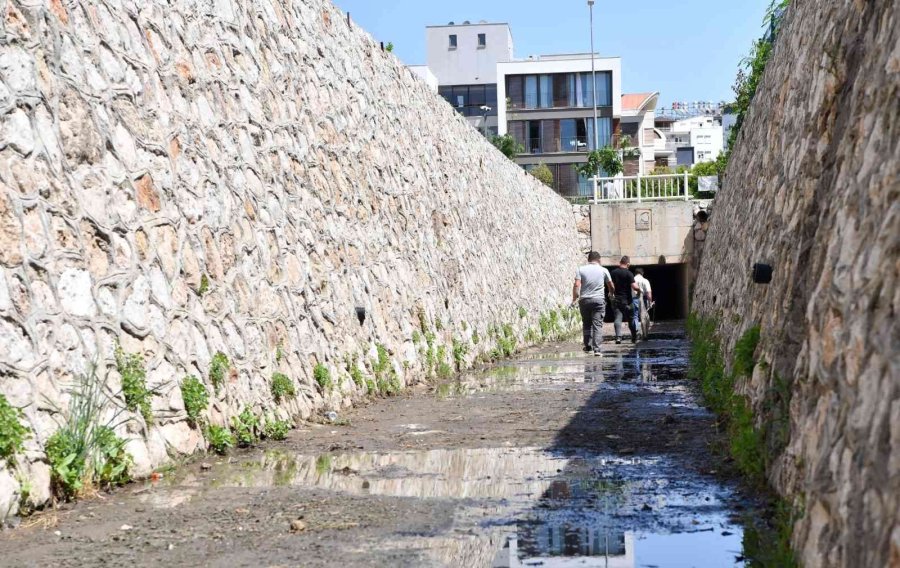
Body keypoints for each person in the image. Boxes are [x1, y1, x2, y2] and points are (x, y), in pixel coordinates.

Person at [572, 251, 614, 356]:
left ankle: (588, 346)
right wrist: (611, 293)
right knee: (597, 325)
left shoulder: (580, 269)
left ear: (588, 259)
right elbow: (611, 285)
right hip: (599, 300)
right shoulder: (604, 270)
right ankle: (597, 349)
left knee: (586, 323)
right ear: (599, 260)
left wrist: (575, 298)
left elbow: (576, 285)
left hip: (584, 300)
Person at [610, 256, 639, 344]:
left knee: (618, 318)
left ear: (620, 262)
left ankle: (618, 337)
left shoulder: (613, 272)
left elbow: (611, 285)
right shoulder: (629, 273)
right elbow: (634, 286)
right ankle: (634, 337)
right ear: (628, 264)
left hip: (617, 300)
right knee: (631, 319)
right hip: (628, 301)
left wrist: (611, 293)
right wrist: (640, 290)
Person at [633, 268, 653, 339]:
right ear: (642, 273)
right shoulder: (645, 280)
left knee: (635, 316)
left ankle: (636, 332)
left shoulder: (632, 280)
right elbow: (648, 292)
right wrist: (650, 302)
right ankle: (645, 334)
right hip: (642, 299)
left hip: (633, 299)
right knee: (643, 317)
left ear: (635, 273)